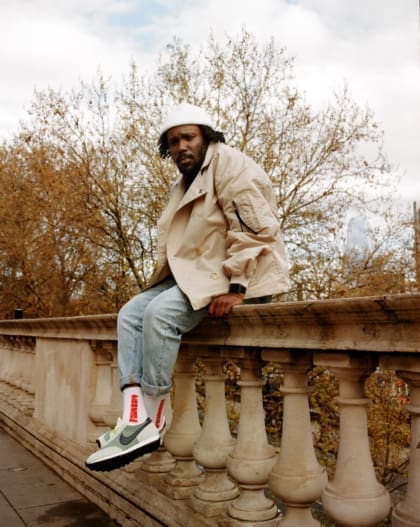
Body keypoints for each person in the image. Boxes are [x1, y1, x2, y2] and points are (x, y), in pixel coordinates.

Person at [85, 102, 290, 472]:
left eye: (188, 137)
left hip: (237, 276)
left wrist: (238, 287)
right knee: (131, 313)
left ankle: (154, 420)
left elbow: (255, 229)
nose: (181, 146)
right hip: (202, 274)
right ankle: (133, 417)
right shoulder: (185, 182)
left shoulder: (230, 164)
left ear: (206, 136)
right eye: (173, 141)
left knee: (161, 315)